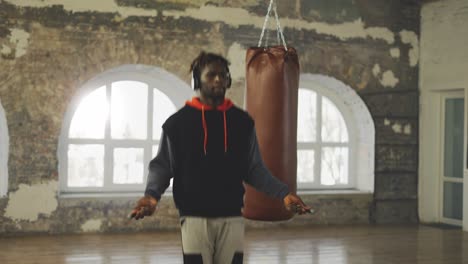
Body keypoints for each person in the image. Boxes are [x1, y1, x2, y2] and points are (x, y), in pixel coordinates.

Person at [130, 51, 313, 264]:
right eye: (211, 75)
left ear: (228, 80)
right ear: (197, 80)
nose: (218, 79)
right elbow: (162, 166)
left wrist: (284, 194)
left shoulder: (243, 122)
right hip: (194, 218)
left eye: (223, 75)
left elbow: (254, 169)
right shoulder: (177, 124)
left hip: (232, 216)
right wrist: (151, 196)